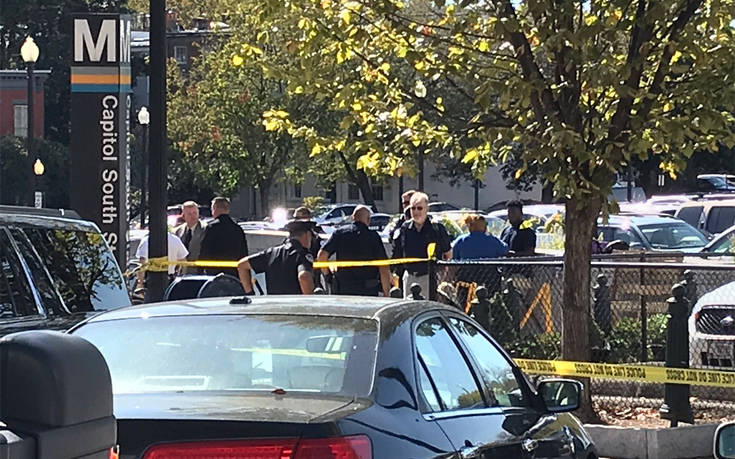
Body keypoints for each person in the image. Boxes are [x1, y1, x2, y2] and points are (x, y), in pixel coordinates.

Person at [317, 205, 391, 296]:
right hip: (368, 290)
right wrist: (386, 292)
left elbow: (322, 255)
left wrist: (328, 276)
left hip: (344, 289)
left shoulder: (340, 233)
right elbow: (383, 267)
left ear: (352, 218)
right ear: (368, 220)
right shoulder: (373, 237)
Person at [392, 192, 452, 298]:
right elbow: (398, 253)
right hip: (409, 276)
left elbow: (448, 254)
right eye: (413, 208)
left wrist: (442, 277)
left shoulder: (437, 229)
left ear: (427, 209)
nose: (416, 211)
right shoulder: (404, 228)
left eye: (419, 208)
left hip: (430, 277)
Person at [237, 220, 315, 295]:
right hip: (296, 303)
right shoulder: (302, 254)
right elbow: (304, 276)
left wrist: (250, 293)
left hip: (273, 302)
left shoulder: (272, 252)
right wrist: (309, 300)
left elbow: (242, 265)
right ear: (308, 235)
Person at [199, 197, 248, 277]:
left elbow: (204, 250)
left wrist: (200, 270)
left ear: (215, 208)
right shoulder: (237, 229)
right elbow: (243, 253)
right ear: (227, 209)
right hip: (233, 274)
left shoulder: (212, 227)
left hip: (214, 273)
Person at [173, 201, 207, 274]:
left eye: (195, 213)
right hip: (181, 272)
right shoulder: (177, 231)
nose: (193, 216)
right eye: (189, 214)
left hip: (198, 272)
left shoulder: (205, 229)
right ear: (183, 215)